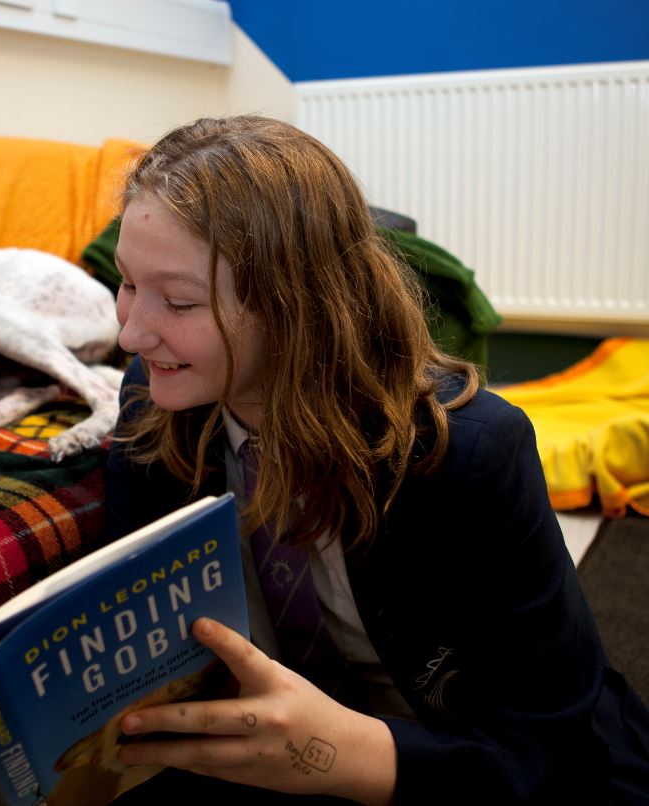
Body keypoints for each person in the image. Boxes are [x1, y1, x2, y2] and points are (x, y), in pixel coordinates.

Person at [103, 116, 649, 804]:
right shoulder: (153, 403)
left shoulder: (471, 452)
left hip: (448, 759)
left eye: (178, 301)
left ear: (298, 308)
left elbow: (550, 753)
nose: (130, 330)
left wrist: (338, 753)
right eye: (125, 284)